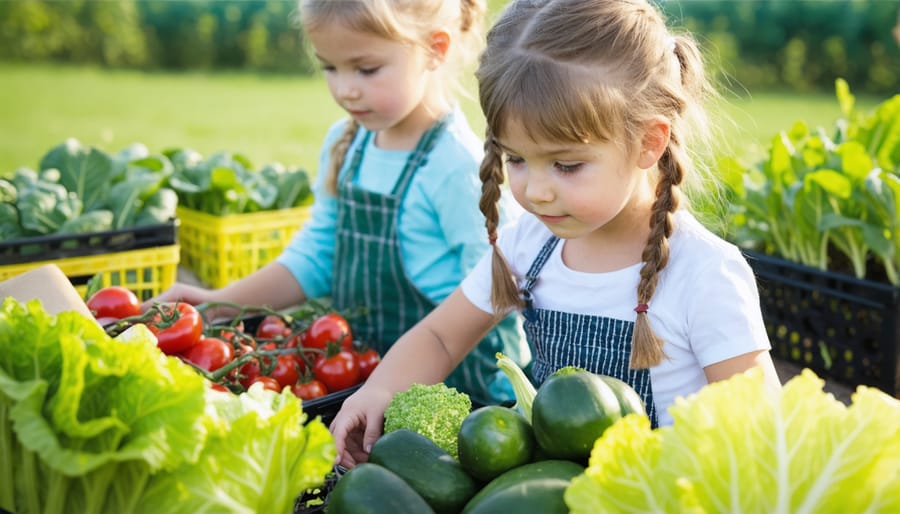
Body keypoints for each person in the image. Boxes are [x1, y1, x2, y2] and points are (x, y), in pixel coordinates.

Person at [329, 0, 782, 468]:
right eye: (517, 160)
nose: (536, 191)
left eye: (566, 165)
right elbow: (442, 337)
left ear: (649, 141)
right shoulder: (530, 244)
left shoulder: (704, 275)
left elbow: (760, 431)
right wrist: (378, 389)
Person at [147, 0, 529, 406]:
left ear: (435, 49)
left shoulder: (454, 165)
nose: (345, 88)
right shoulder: (346, 144)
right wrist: (220, 304)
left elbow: (497, 291)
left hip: (459, 395)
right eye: (330, 67)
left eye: (366, 69)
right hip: (365, 384)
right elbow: (314, 258)